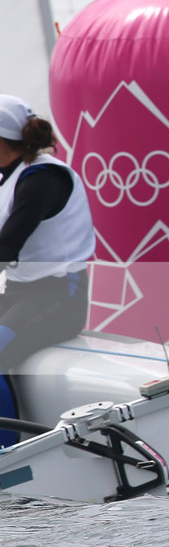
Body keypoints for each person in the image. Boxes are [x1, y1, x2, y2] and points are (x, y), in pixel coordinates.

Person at [0, 96, 95, 380]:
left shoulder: (43, 178)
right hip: (17, 292)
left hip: (58, 296)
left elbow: (7, 246)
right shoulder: (9, 176)